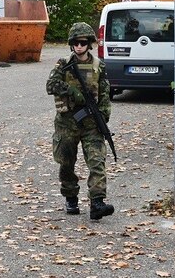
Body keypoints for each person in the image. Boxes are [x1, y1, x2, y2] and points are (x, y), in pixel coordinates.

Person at [46, 22, 115, 220]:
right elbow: (50, 85)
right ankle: (70, 197)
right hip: (67, 122)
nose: (79, 46)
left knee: (97, 161)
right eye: (75, 43)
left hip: (91, 123)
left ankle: (97, 202)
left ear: (89, 44)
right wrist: (73, 92)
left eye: (83, 42)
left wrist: (103, 116)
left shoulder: (98, 66)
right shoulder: (63, 64)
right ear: (71, 44)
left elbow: (104, 93)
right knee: (66, 162)